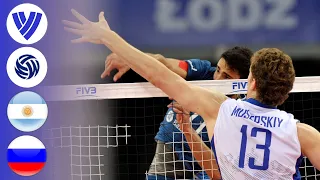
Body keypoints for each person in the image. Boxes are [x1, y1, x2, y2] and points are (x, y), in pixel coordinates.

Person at [63, 10, 320, 179]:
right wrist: (187, 130)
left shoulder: (220, 111)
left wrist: (108, 37)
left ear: (250, 81)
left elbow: (158, 74)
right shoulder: (303, 134)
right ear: (285, 94)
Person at [101, 48, 252, 179]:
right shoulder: (204, 71)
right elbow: (163, 63)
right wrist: (130, 58)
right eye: (218, 70)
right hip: (172, 140)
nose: (218, 78)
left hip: (206, 156)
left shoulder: (244, 108)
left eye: (227, 77)